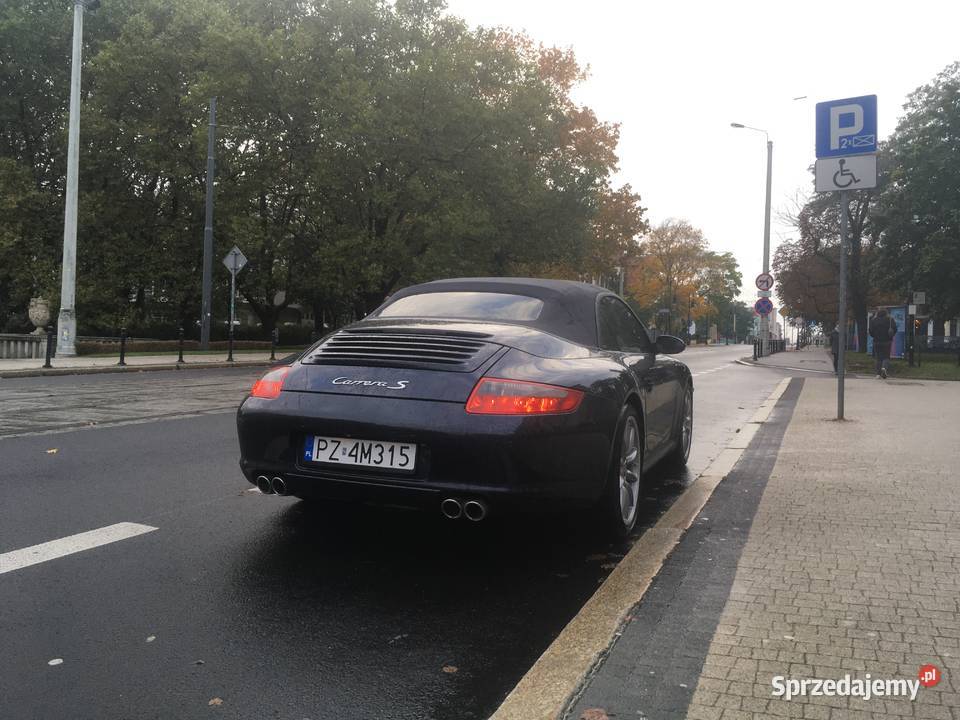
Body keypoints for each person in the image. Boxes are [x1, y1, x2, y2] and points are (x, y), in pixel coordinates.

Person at [868, 309, 897, 379]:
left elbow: (870, 331)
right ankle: (884, 368)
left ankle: (878, 374)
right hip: (887, 341)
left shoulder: (874, 320)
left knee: (878, 357)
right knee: (886, 356)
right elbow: (895, 329)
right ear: (886, 313)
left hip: (877, 341)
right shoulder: (890, 320)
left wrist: (875, 336)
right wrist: (890, 336)